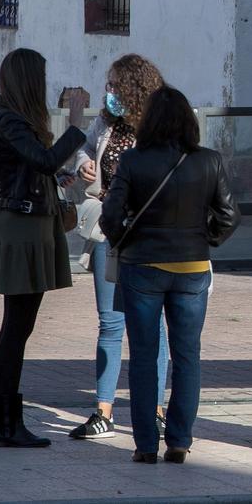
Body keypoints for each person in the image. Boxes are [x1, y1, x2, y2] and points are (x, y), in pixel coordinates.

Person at [100, 86, 238, 464]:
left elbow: (110, 217)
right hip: (192, 268)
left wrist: (125, 241)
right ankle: (179, 440)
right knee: (187, 355)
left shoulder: (132, 161)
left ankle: (145, 444)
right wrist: (202, 239)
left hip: (141, 267)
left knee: (144, 356)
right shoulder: (208, 160)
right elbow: (229, 216)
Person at [0, 48, 88, 448]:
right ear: (29, 80)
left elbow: (35, 166)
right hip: (21, 225)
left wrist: (62, 174)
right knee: (16, 326)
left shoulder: (14, 120)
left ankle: (4, 424)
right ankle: (6, 425)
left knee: (19, 326)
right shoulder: (9, 119)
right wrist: (75, 125)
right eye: (41, 77)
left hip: (31, 222)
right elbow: (40, 160)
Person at [68, 54, 170, 441]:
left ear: (134, 88)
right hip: (108, 232)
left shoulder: (157, 128)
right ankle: (104, 411)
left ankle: (156, 408)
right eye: (107, 85)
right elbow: (85, 150)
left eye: (114, 85)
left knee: (152, 325)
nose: (108, 92)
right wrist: (83, 166)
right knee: (110, 322)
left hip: (146, 235)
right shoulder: (105, 122)